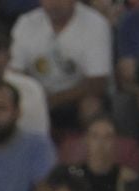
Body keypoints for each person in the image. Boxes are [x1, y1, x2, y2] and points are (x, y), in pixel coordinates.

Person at [10, 0, 113, 133]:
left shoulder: (96, 24)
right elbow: (16, 72)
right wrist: (36, 98)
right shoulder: (26, 22)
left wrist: (53, 100)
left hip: (78, 97)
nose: (54, 4)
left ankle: (89, 152)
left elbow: (97, 82)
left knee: (90, 106)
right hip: (37, 96)